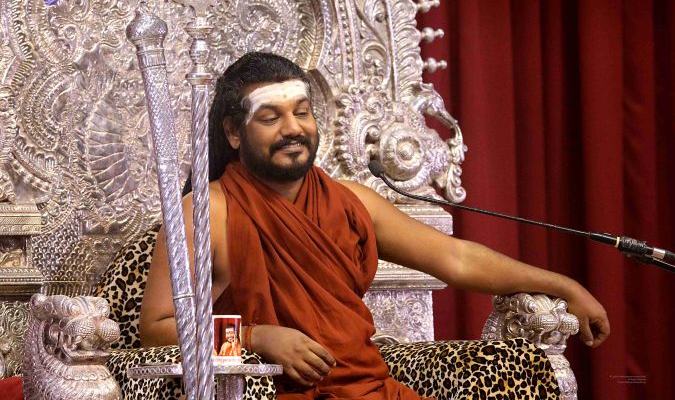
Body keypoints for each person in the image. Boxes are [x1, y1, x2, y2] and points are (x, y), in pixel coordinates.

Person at [140, 52, 610, 399]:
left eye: (301, 112)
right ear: (233, 132)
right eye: (270, 117)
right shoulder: (206, 212)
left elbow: (456, 259)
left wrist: (564, 285)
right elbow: (156, 328)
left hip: (370, 390)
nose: (293, 128)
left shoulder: (351, 201)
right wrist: (256, 338)